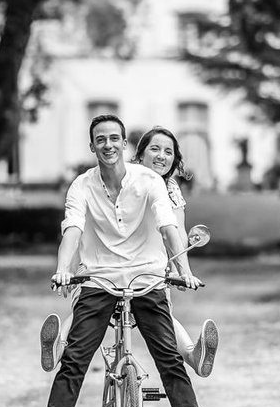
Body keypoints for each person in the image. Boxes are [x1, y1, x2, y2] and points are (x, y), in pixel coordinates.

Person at [8, 114, 242, 407]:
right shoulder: (81, 186)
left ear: (124, 144)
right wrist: (63, 269)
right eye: (100, 139)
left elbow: (167, 227)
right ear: (92, 146)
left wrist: (184, 272)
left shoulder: (148, 181)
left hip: (146, 280)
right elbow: (72, 230)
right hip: (100, 281)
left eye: (114, 138)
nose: (108, 145)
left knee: (170, 361)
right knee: (75, 361)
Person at [37, 124, 218, 378]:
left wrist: (182, 270)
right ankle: (57, 348)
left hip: (148, 268)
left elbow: (175, 231)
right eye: (154, 149)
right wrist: (67, 269)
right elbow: (81, 228)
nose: (161, 156)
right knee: (84, 303)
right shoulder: (115, 181)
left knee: (162, 313)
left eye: (168, 152)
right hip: (102, 264)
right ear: (139, 154)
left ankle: (192, 354)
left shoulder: (170, 189)